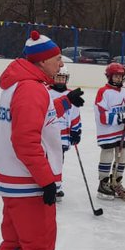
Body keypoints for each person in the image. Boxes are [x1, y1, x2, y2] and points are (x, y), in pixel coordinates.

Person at [0, 31, 85, 250]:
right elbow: (25, 140)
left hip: (13, 182)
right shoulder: (32, 89)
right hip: (28, 185)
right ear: (42, 60)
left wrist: (65, 102)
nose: (60, 64)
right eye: (57, 59)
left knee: (12, 245)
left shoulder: (21, 85)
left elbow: (35, 117)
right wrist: (46, 181)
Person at [94, 62, 125, 200]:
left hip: (122, 131)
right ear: (109, 77)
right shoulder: (103, 92)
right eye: (115, 76)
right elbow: (102, 115)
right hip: (107, 131)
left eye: (120, 76)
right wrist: (121, 117)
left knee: (122, 155)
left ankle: (116, 181)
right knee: (107, 154)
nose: (118, 79)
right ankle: (103, 183)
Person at [47, 64, 81, 198]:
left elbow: (75, 114)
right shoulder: (46, 91)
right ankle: (46, 184)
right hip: (48, 134)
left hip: (63, 135)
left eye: (63, 78)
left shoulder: (71, 94)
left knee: (58, 160)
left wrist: (76, 131)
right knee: (47, 160)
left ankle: (57, 185)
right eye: (58, 78)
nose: (61, 81)